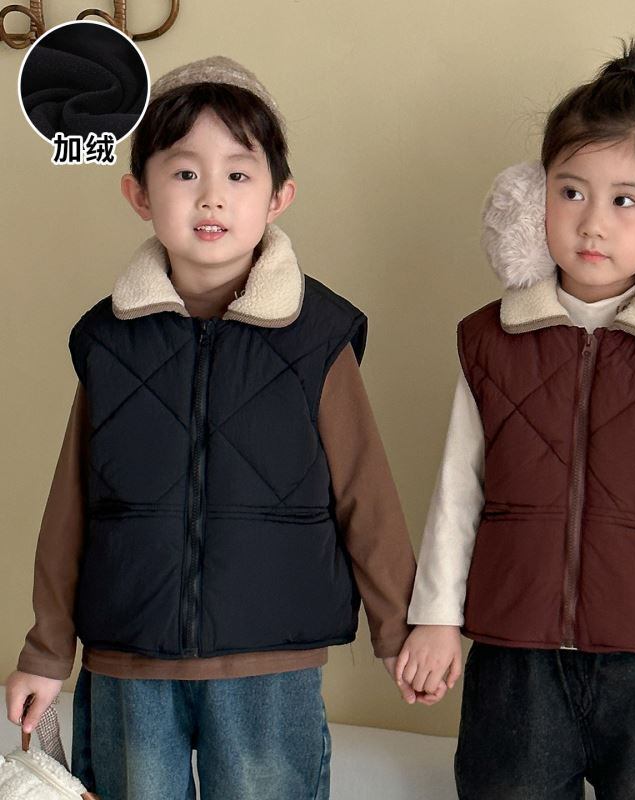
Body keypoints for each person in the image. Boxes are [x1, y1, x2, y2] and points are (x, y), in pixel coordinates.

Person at [4, 55, 417, 800]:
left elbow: (367, 495)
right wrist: (45, 649)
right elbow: (69, 508)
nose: (212, 196)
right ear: (139, 193)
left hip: (270, 667)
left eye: (239, 173)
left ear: (279, 196)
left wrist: (399, 631)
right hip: (127, 664)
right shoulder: (107, 343)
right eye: (185, 172)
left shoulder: (317, 337)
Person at [396, 34, 635, 799]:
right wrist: (435, 617)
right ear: (534, 196)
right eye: (571, 192)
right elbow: (458, 490)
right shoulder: (493, 342)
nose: (593, 222)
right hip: (515, 658)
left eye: (625, 199)